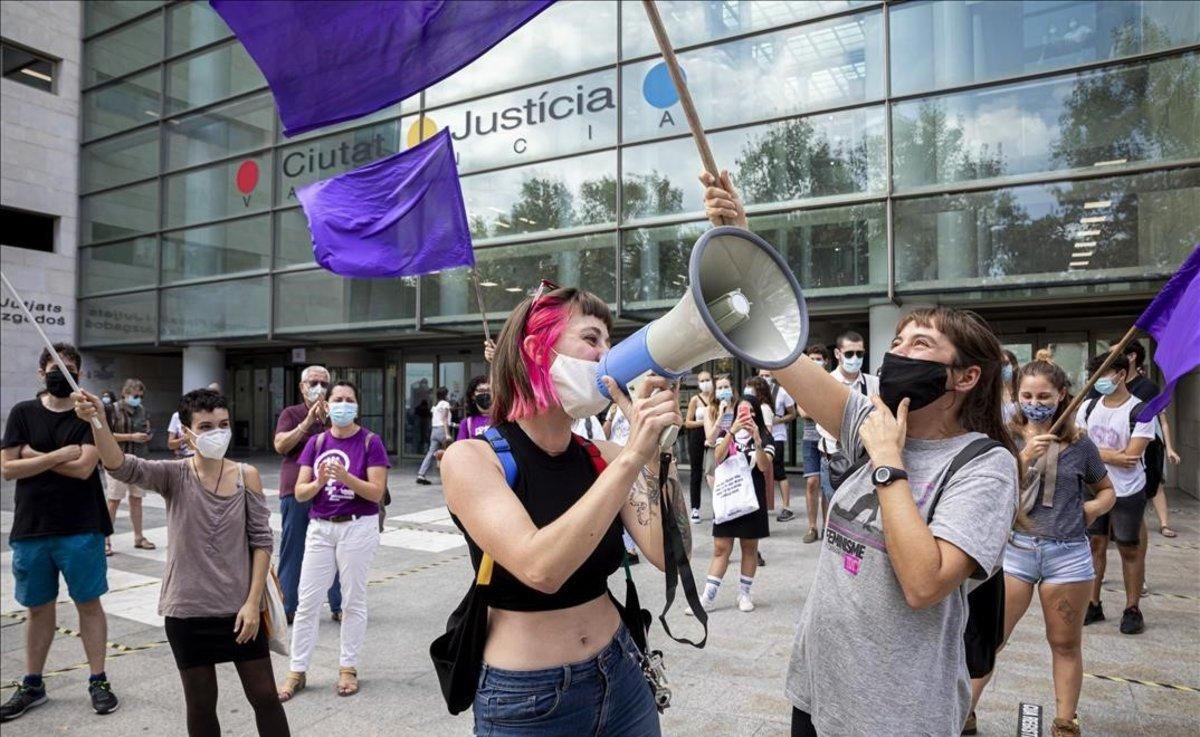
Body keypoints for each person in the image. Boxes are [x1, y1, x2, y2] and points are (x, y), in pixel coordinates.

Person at [705, 153, 1021, 737]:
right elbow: (779, 348)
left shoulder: (986, 466)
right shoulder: (866, 420)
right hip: (817, 692)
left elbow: (925, 584)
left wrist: (888, 465)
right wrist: (739, 244)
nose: (898, 352)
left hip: (895, 715)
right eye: (897, 341)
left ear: (966, 377)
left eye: (920, 344)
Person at [440, 283, 688, 736]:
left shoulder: (604, 455)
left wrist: (657, 456)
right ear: (537, 349)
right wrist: (633, 457)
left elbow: (667, 553)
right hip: (528, 699)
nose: (605, 355)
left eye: (609, 343)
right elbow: (541, 568)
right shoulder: (473, 458)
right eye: (591, 339)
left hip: (623, 671)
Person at [75, 388, 287, 737]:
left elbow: (262, 541)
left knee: (265, 696)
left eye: (223, 424)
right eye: (205, 427)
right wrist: (98, 420)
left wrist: (252, 603)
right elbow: (119, 464)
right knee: (201, 703)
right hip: (187, 611)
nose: (217, 432)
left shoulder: (246, 474)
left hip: (239, 612)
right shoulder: (174, 474)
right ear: (186, 433)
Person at [967, 360, 1115, 737]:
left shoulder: (1081, 445)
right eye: (1027, 396)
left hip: (1067, 554)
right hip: (1015, 550)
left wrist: (1092, 509)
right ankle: (963, 711)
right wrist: (1024, 457)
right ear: (1016, 396)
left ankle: (1066, 722)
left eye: (1044, 396)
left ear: (1062, 395)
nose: (1035, 403)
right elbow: (984, 487)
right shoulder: (1004, 436)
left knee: (1065, 642)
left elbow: (1106, 490)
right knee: (991, 639)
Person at [0, 344, 119, 721]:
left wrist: (31, 457)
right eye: (54, 369)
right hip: (32, 527)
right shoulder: (23, 412)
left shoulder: (89, 415)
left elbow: (86, 468)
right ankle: (33, 683)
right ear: (40, 374)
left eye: (68, 370)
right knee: (38, 609)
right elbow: (6, 468)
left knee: (89, 604)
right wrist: (57, 455)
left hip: (82, 526)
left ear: (78, 376)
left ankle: (98, 680)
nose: (60, 375)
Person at [278, 381, 388, 701]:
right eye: (337, 399)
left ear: (357, 406)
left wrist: (346, 478)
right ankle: (296, 671)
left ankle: (348, 668)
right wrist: (320, 481)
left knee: (353, 599)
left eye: (348, 399)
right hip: (321, 527)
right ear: (328, 406)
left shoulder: (370, 442)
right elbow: (300, 492)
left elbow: (376, 492)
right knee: (307, 602)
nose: (342, 404)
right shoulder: (316, 442)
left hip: (358, 526)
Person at [1076, 353, 1155, 634]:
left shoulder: (1141, 411)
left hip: (1127, 491)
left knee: (1128, 548)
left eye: (1104, 375)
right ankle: (1093, 603)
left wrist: (1096, 453)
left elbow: (1132, 456)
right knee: (1094, 545)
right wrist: (1112, 455)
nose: (1098, 382)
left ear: (1121, 374)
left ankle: (1132, 608)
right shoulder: (1086, 407)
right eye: (1094, 376)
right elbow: (1078, 448)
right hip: (1093, 488)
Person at [273, 366, 341, 625]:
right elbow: (281, 445)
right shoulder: (291, 414)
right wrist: (308, 422)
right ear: (302, 387)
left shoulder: (336, 412)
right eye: (313, 382)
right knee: (294, 547)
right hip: (296, 490)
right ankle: (288, 605)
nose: (319, 388)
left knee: (336, 546)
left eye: (325, 383)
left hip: (332, 489)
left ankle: (339, 603)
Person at [695, 393, 773, 613]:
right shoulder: (725, 432)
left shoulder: (765, 435)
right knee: (721, 548)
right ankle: (707, 599)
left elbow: (764, 467)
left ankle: (744, 594)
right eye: (741, 410)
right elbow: (718, 457)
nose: (745, 415)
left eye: (749, 411)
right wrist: (731, 431)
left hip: (752, 500)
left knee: (749, 548)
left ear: (756, 413)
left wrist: (757, 440)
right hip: (728, 498)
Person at [1117, 340, 1182, 538]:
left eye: (1118, 354)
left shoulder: (1149, 387)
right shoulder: (1114, 385)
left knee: (1155, 483)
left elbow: (1162, 420)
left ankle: (1164, 524)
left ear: (1132, 357)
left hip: (1149, 443)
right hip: (1121, 442)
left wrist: (1169, 448)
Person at [104, 377, 154, 555]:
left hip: (138, 459)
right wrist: (131, 437)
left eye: (140, 395)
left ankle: (139, 537)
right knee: (114, 500)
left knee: (137, 499)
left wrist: (147, 435)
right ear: (125, 393)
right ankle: (105, 539)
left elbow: (147, 428)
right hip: (117, 459)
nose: (138, 398)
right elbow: (106, 434)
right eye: (134, 395)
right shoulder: (113, 410)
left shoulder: (142, 410)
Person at [797, 345, 831, 541]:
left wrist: (814, 408)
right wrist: (822, 409)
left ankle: (828, 527)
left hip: (829, 440)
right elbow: (803, 413)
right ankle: (812, 527)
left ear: (825, 361)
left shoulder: (832, 381)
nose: (815, 361)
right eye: (811, 358)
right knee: (812, 483)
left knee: (827, 485)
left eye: (818, 358)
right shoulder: (801, 383)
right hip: (810, 440)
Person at [758, 369, 798, 525]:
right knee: (760, 471)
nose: (764, 378)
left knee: (779, 471)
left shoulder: (781, 392)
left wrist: (777, 420)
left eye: (767, 375)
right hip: (760, 438)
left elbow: (793, 414)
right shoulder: (755, 393)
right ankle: (762, 505)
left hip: (777, 436)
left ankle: (786, 506)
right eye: (761, 375)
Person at [684, 370, 716, 524]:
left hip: (713, 436)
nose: (705, 383)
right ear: (698, 383)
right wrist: (705, 422)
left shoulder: (717, 398)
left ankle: (718, 506)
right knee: (696, 471)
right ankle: (695, 508)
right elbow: (687, 422)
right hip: (697, 435)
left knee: (714, 471)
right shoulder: (695, 400)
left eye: (707, 379)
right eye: (702, 380)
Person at [168, 382, 221, 459]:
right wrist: (183, 440)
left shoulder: (211, 417)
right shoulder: (176, 416)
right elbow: (170, 445)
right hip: (182, 459)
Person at [416, 387, 451, 485]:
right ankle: (449, 475)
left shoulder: (435, 406)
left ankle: (421, 474)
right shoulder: (445, 404)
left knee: (430, 453)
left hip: (434, 430)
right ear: (445, 395)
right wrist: (447, 434)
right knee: (449, 451)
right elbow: (444, 419)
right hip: (441, 430)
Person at [455, 376, 493, 441]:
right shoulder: (466, 423)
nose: (486, 393)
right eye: (481, 390)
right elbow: (460, 447)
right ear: (473, 396)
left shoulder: (503, 420)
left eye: (489, 390)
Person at [1001, 349, 1020, 423]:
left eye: (1005, 363)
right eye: (999, 364)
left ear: (1013, 365)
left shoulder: (1022, 390)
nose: (1002, 367)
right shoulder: (989, 392)